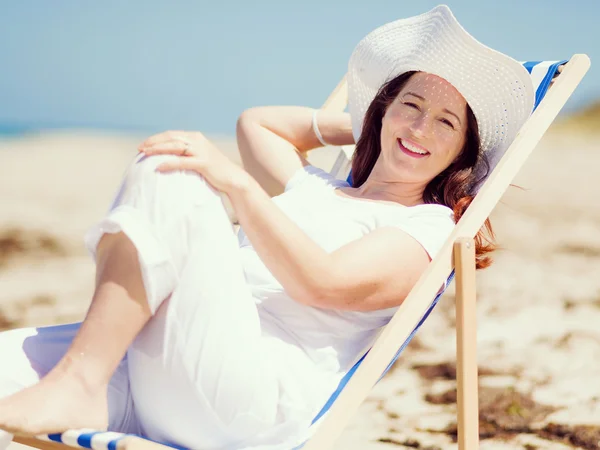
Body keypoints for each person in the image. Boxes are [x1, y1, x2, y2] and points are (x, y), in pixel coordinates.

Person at [0, 5, 535, 450]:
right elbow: (256, 121)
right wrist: (378, 120)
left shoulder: (428, 228)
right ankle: (87, 380)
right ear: (383, 110)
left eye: (446, 123)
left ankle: (79, 379)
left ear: (463, 151)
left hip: (241, 401)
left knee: (172, 170)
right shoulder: (316, 188)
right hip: (165, 364)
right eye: (410, 106)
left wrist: (239, 187)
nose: (420, 127)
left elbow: (320, 281)